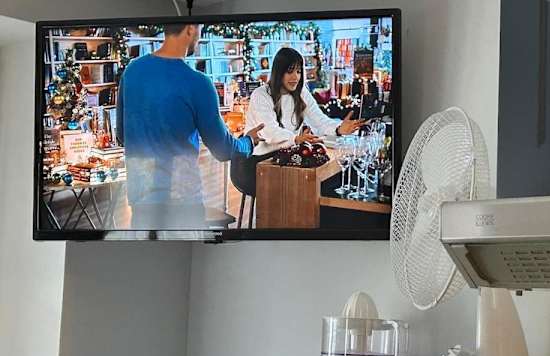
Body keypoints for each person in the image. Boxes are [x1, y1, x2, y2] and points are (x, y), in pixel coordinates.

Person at [116, 23, 265, 229]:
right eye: (200, 28)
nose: (199, 36)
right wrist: (248, 142)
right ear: (190, 28)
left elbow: (122, 135)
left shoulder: (132, 71)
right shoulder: (198, 83)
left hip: (141, 201)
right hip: (182, 204)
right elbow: (223, 149)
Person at [245, 47, 365, 155]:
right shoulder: (261, 94)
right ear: (279, 72)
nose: (295, 77)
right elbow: (270, 132)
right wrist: (295, 139)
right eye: (289, 71)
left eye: (298, 71)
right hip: (258, 159)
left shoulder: (301, 92)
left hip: (286, 155)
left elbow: (319, 121)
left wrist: (338, 129)